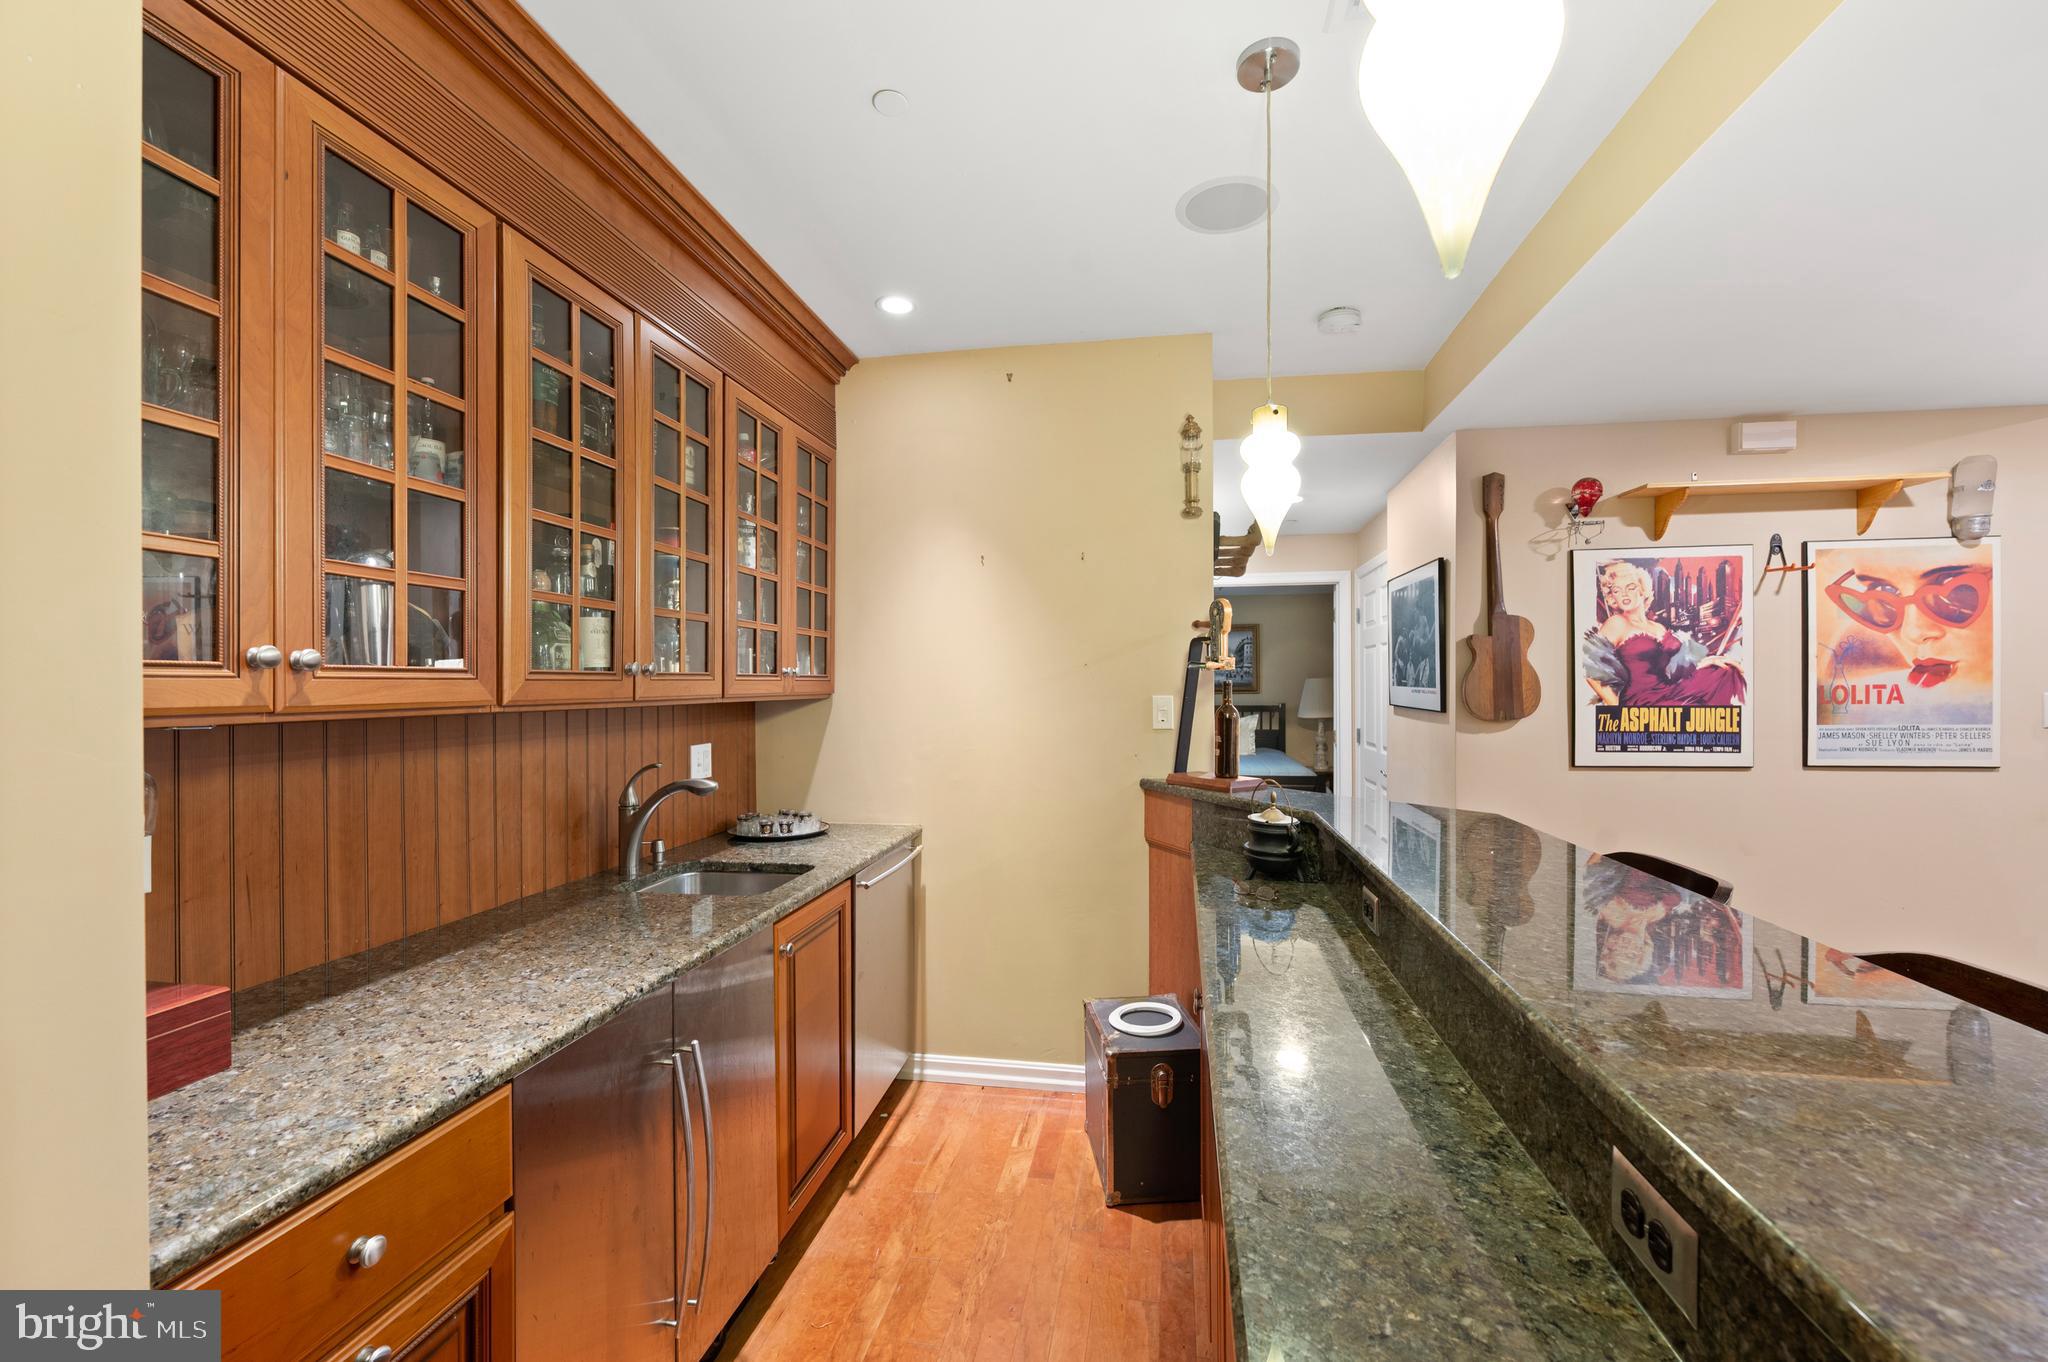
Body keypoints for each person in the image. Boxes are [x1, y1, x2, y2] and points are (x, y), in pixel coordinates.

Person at [1581, 559, 1744, 707]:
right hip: (1643, 700)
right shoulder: (1616, 623)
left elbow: (1675, 669)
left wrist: (1708, 660)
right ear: (1612, 598)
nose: (1624, 594)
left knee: (1726, 672)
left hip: (1672, 689)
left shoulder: (1658, 627)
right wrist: (1617, 709)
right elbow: (1591, 672)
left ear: (1642, 590)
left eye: (1630, 588)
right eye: (1616, 590)